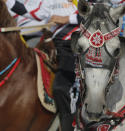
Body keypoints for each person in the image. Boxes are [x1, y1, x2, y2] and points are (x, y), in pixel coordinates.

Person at [4, 0, 82, 130]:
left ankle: (71, 127)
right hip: (56, 46)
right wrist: (8, 1)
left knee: (61, 88)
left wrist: (66, 19)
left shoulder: (82, 3)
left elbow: (93, 15)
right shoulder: (48, 3)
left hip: (74, 46)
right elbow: (27, 12)